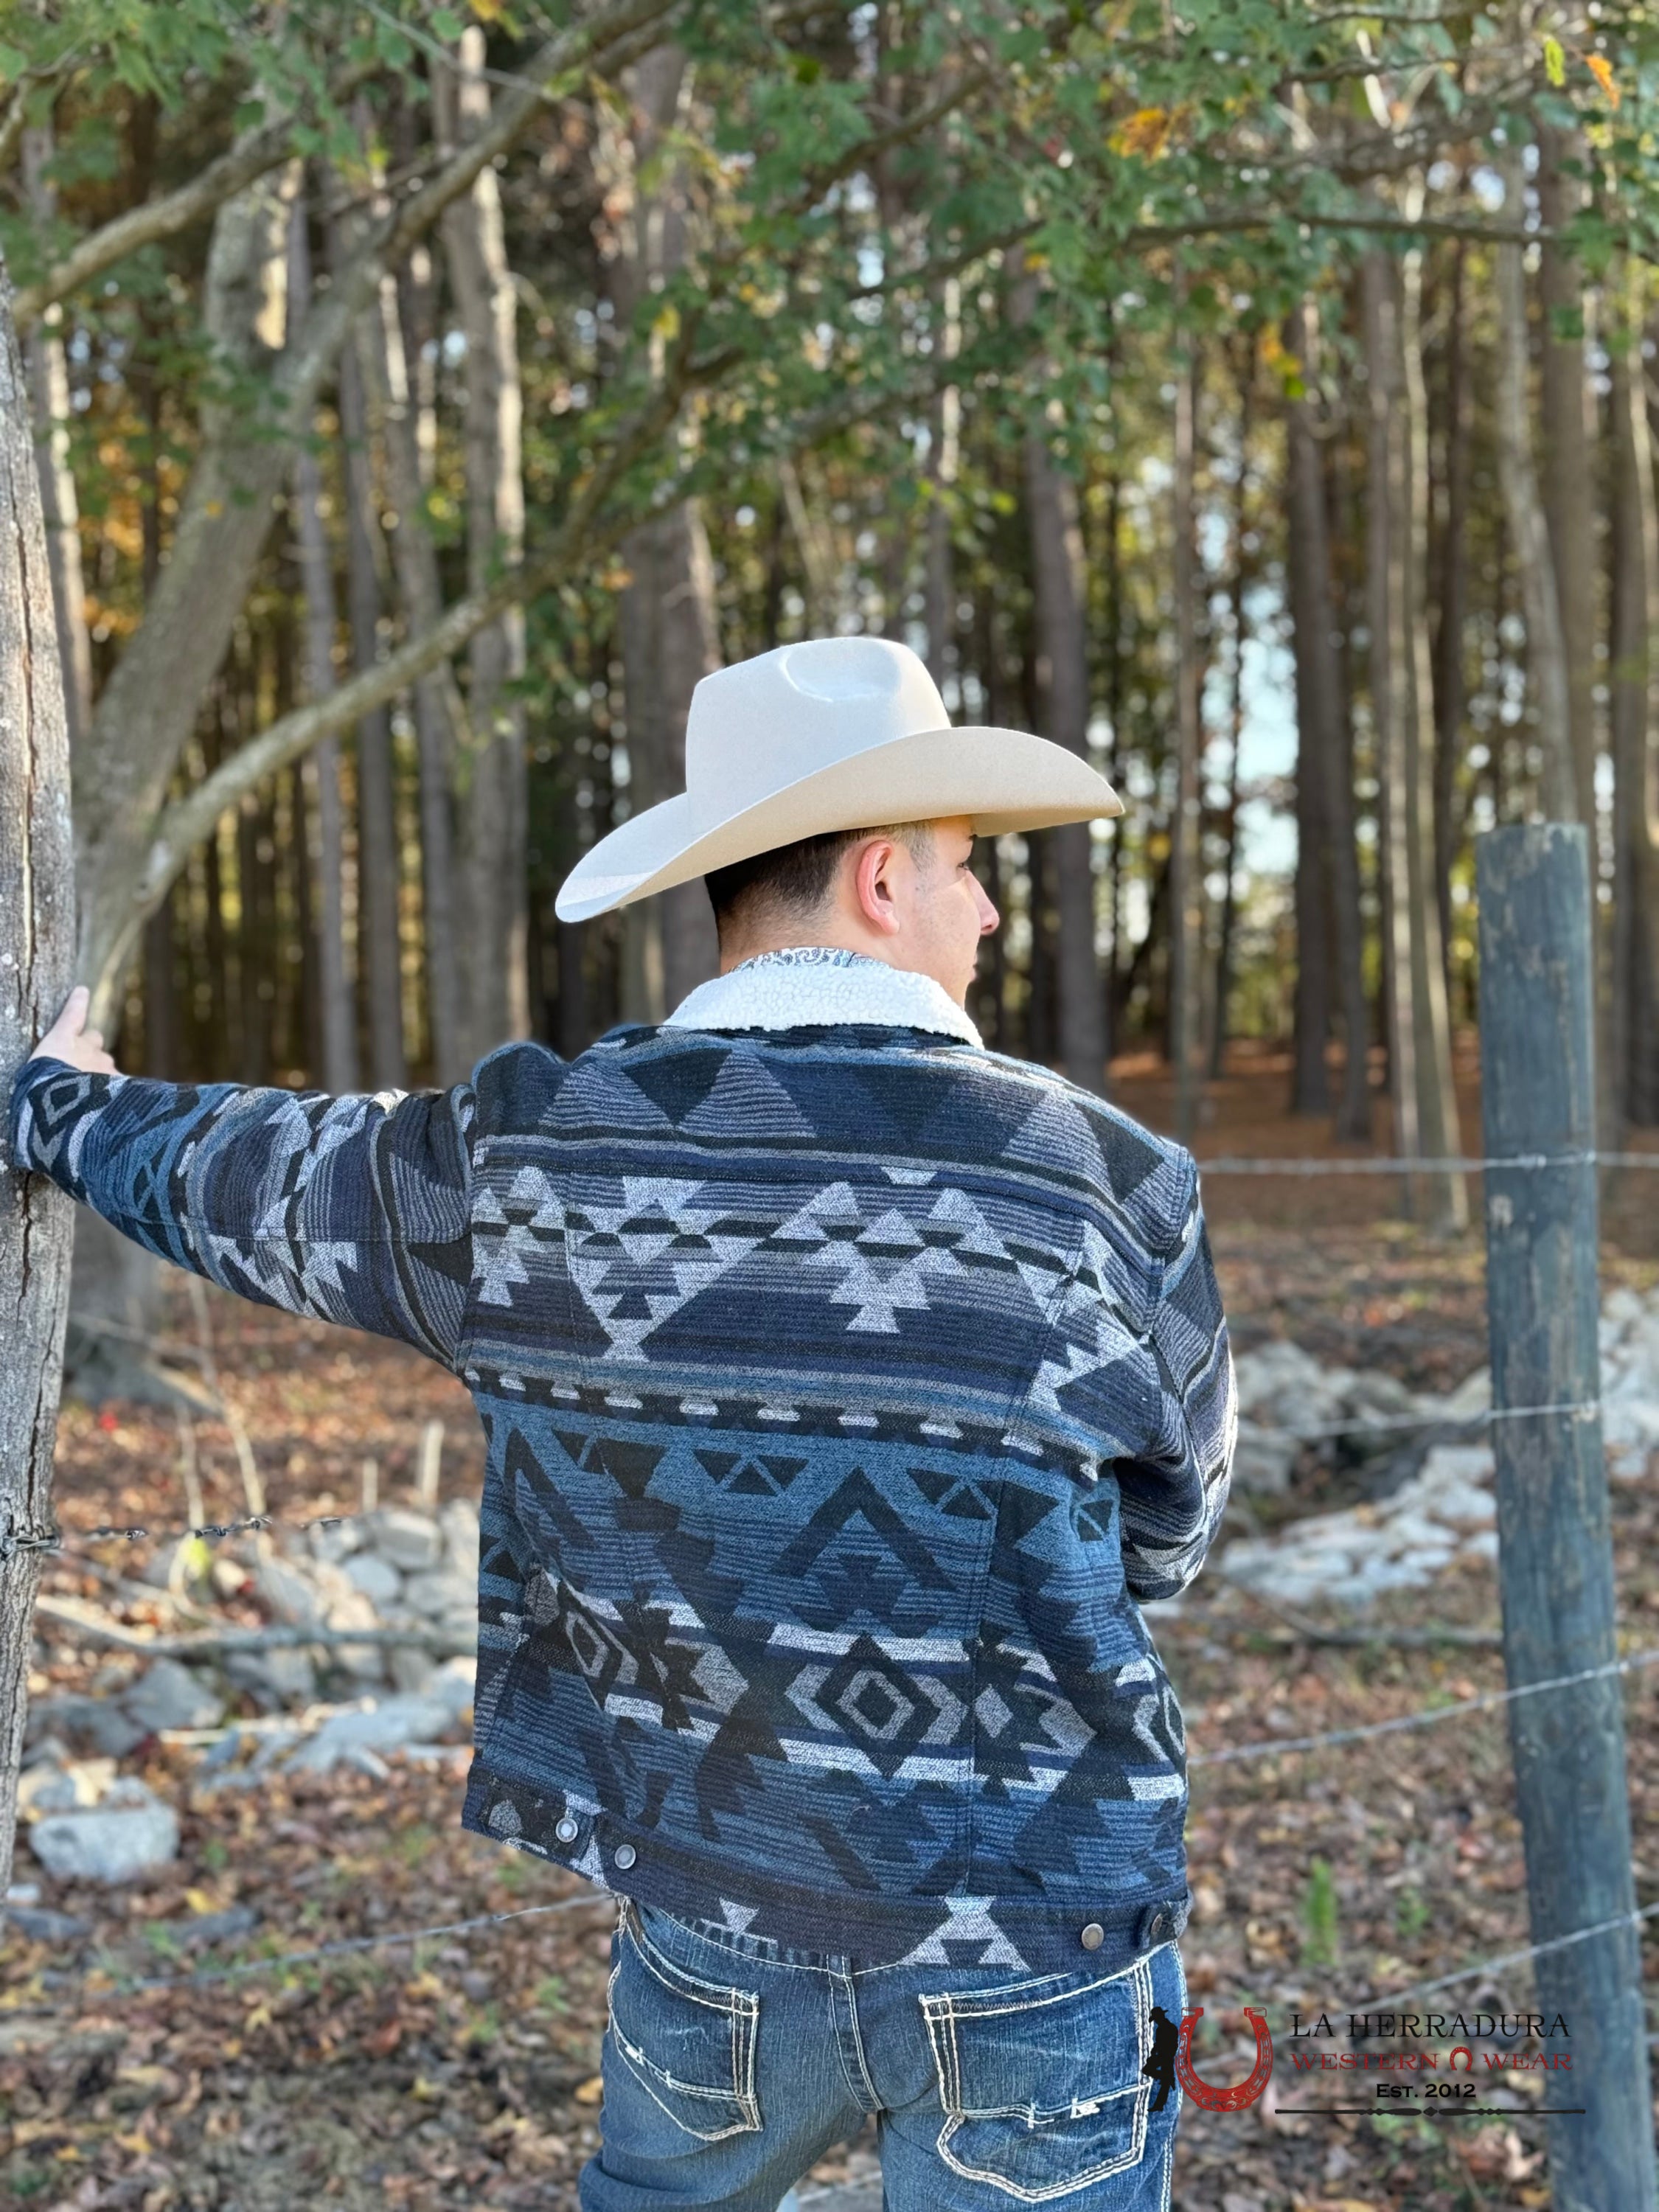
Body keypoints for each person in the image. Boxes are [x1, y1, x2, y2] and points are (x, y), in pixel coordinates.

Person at [11, 635, 1234, 2211]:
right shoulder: (1110, 1187)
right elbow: (1169, 1537)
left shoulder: (531, 1160)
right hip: (1037, 1935)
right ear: (879, 879)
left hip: (709, 1920)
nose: (988, 907)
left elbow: (258, 1175)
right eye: (967, 868)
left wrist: (62, 1108)